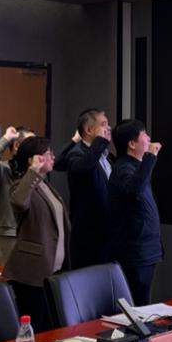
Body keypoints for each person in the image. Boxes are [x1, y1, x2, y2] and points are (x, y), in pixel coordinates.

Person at [3, 137, 69, 330]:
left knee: (51, 326)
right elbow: (19, 202)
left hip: (54, 271)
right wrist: (32, 171)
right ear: (33, 159)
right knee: (36, 327)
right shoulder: (20, 185)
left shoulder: (45, 185)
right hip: (32, 273)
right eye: (48, 153)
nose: (53, 157)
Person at [108, 119, 163, 306]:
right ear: (132, 144)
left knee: (143, 302)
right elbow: (134, 190)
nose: (149, 138)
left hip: (145, 249)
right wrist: (150, 157)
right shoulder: (123, 167)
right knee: (138, 305)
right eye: (144, 135)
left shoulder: (135, 166)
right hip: (135, 251)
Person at [54, 109, 112, 269]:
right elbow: (83, 167)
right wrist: (96, 141)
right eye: (103, 124)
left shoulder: (105, 155)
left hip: (106, 233)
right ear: (89, 130)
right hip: (89, 236)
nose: (109, 128)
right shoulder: (77, 154)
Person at [0, 125, 35, 263]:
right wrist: (7, 138)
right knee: (10, 275)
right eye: (30, 143)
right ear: (16, 146)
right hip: (11, 235)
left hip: (33, 233)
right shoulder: (3, 170)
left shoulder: (35, 171)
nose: (35, 148)